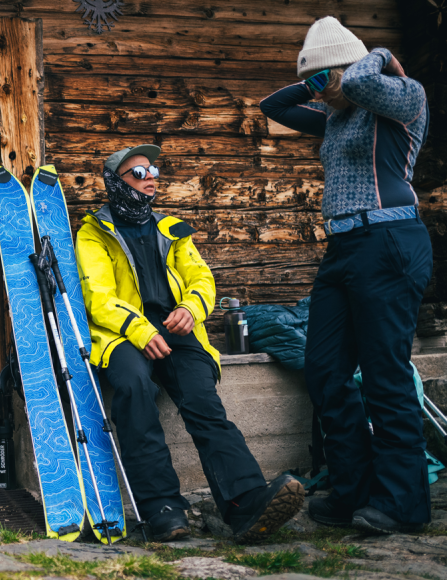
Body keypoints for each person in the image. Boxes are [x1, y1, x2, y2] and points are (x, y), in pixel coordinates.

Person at [76, 145, 305, 543]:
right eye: (139, 172)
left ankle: (245, 502)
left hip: (178, 332)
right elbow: (97, 295)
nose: (150, 177)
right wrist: (140, 331)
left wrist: (190, 309)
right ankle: (161, 507)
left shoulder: (172, 229)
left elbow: (202, 279)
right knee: (133, 389)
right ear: (116, 182)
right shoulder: (94, 233)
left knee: (203, 402)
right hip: (123, 336)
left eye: (154, 170)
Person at [259, 17, 431, 534]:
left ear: (350, 70)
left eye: (324, 79)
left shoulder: (404, 97)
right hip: (342, 250)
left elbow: (358, 83)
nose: (320, 92)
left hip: (390, 243)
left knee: (385, 376)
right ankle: (353, 490)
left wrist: (374, 55)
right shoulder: (335, 117)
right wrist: (314, 79)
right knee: (326, 372)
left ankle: (402, 504)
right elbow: (274, 106)